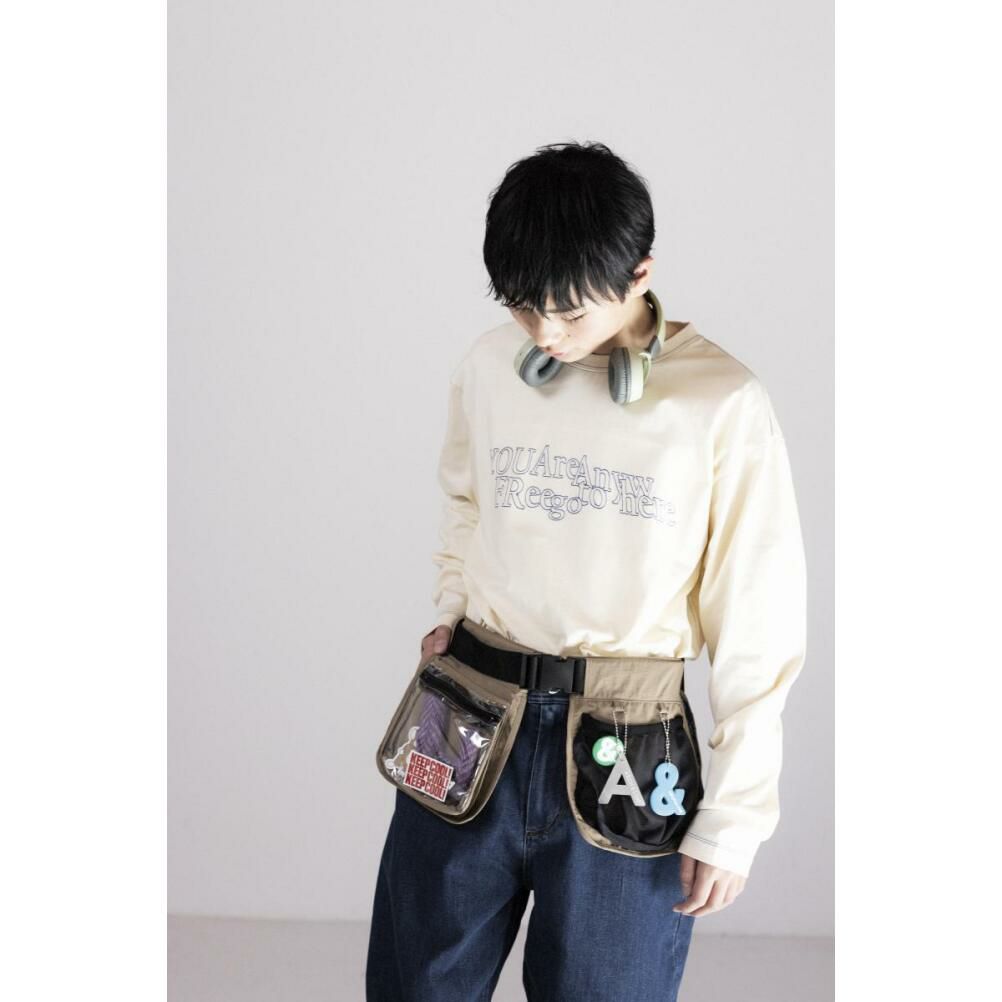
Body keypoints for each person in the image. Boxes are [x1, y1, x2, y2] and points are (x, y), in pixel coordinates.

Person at [366, 140, 807, 1001]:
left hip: (630, 740)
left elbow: (760, 619)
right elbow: (464, 498)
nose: (545, 334)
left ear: (640, 274)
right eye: (524, 308)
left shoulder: (723, 403)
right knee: (413, 987)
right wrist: (452, 605)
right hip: (468, 704)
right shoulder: (490, 365)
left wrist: (737, 816)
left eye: (569, 313)